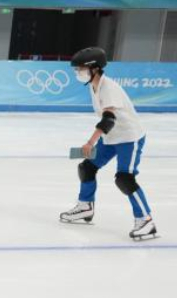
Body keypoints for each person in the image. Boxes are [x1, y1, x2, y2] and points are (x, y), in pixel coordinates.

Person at [59, 47, 159, 241]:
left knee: (124, 179)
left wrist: (90, 142)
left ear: (94, 68)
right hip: (111, 138)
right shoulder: (93, 85)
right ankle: (85, 206)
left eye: (80, 69)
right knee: (87, 167)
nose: (77, 73)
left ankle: (146, 221)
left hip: (129, 139)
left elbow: (108, 119)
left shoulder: (109, 87)